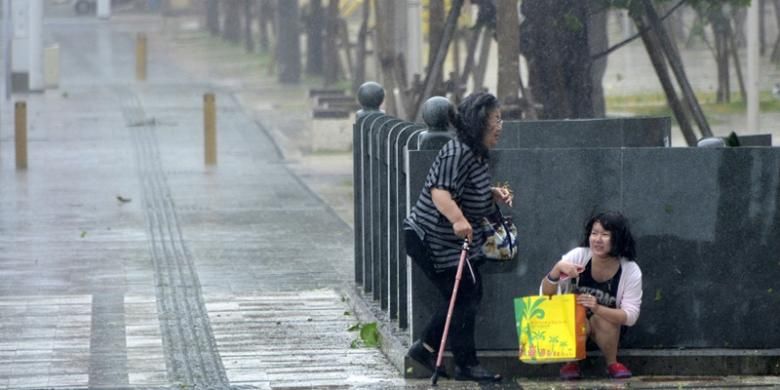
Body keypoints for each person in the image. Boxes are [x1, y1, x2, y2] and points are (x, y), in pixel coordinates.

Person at [403, 92, 512, 383]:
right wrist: (459, 220)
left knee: (467, 295)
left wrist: (492, 194)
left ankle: (428, 350)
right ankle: (462, 362)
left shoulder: (476, 153)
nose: (500, 127)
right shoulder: (458, 151)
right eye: (496, 120)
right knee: (465, 295)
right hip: (429, 238)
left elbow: (463, 187)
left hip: (452, 243)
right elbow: (440, 191)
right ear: (480, 122)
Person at [540, 211, 642, 380]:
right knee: (575, 312)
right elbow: (546, 296)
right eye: (594, 233)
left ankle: (612, 363)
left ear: (617, 238)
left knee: (606, 319)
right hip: (569, 326)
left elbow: (630, 316)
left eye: (605, 234)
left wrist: (597, 308)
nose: (597, 239)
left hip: (607, 331)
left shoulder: (630, 270)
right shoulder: (578, 256)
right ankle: (570, 362)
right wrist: (556, 270)